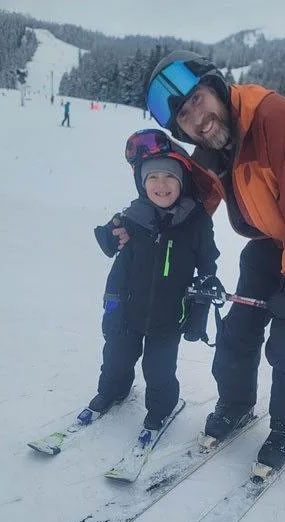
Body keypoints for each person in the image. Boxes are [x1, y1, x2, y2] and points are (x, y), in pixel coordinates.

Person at [142, 51, 285, 467]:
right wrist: (154, 234)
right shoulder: (212, 148)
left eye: (199, 100)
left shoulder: (276, 117)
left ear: (218, 87)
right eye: (185, 116)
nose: (198, 118)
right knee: (238, 330)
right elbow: (197, 202)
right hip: (270, 236)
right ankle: (236, 403)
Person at [83, 128, 218, 449]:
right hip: (128, 309)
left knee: (159, 369)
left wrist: (201, 307)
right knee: (116, 356)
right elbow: (115, 251)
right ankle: (112, 390)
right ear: (142, 183)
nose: (161, 184)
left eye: (169, 177)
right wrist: (112, 303)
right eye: (152, 177)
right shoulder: (134, 218)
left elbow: (208, 267)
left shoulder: (196, 222)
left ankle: (161, 408)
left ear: (182, 181)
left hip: (169, 315)